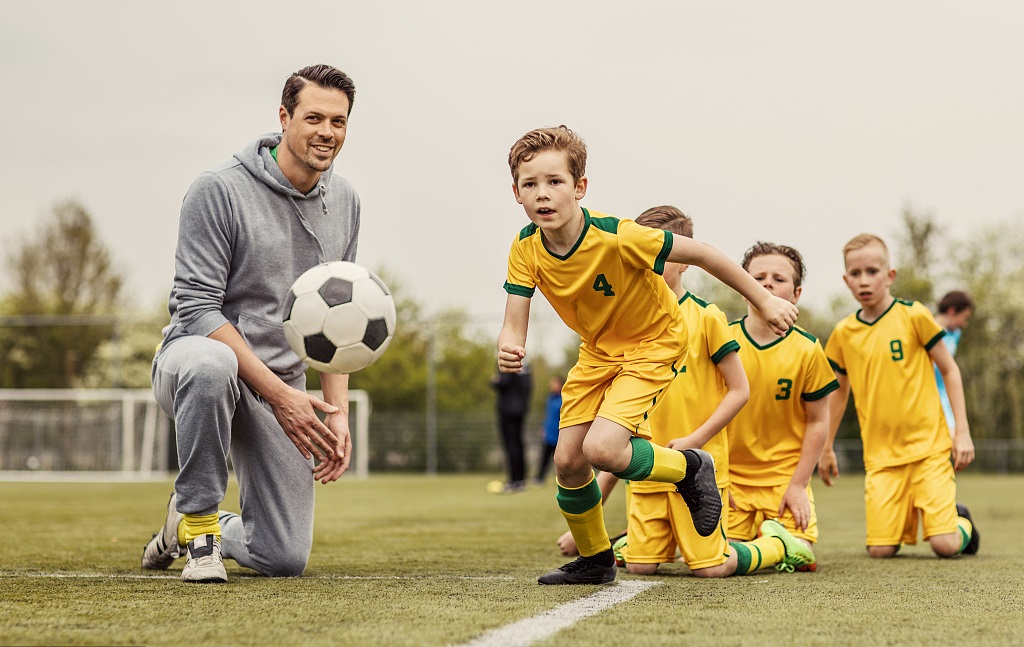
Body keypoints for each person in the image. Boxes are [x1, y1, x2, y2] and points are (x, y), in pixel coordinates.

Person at [498, 126, 799, 585]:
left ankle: (690, 467)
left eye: (555, 182)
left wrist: (763, 299)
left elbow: (704, 255)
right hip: (599, 353)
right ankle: (597, 560)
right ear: (516, 192)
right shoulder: (525, 248)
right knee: (568, 461)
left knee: (603, 449)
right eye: (530, 184)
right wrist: (510, 343)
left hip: (653, 343)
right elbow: (515, 314)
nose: (543, 194)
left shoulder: (619, 236)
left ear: (580, 187)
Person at [141, 64, 361, 583]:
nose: (326, 132)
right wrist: (280, 397)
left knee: (282, 557)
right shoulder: (217, 189)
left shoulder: (347, 201)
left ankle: (189, 527)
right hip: (196, 364)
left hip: (283, 384)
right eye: (313, 118)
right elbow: (195, 309)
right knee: (212, 363)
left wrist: (339, 414)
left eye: (339, 121)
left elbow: (343, 318)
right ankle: (198, 526)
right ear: (284, 117)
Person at [819, 234, 979, 558]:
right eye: (856, 273)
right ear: (846, 280)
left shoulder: (914, 316)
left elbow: (949, 369)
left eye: (872, 271)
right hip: (881, 459)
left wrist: (962, 430)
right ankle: (932, 517)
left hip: (929, 449)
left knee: (945, 545)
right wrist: (826, 447)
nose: (864, 280)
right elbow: (837, 393)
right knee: (880, 550)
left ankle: (961, 524)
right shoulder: (843, 334)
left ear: (889, 275)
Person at [725, 242, 839, 572]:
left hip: (784, 479)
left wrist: (799, 485)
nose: (767, 284)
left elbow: (818, 422)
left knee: (802, 551)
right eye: (757, 277)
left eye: (778, 278)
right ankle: (776, 545)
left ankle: (778, 541)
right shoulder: (722, 340)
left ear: (796, 293)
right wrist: (718, 478)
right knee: (722, 556)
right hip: (732, 481)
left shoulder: (808, 349)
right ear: (741, 285)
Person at [933, 290, 975, 439]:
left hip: (946, 397)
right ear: (952, 311)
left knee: (956, 440)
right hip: (927, 399)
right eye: (964, 317)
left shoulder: (955, 334)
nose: (965, 323)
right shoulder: (926, 331)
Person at [491, 368, 533, 492]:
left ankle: (514, 480)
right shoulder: (526, 366)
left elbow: (503, 382)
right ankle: (521, 479)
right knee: (519, 444)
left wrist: (494, 381)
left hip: (508, 411)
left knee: (511, 446)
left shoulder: (508, 361)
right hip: (520, 410)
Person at [534, 376, 564, 485]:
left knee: (560, 460)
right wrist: (543, 428)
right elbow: (548, 416)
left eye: (555, 383)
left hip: (558, 435)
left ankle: (563, 479)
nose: (552, 386)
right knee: (544, 458)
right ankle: (539, 478)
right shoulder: (550, 399)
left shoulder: (563, 399)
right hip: (549, 435)